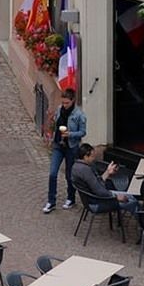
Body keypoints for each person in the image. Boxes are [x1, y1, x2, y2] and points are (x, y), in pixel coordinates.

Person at [68, 143, 141, 224]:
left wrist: (108, 172)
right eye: (92, 156)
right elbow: (99, 191)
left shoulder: (77, 166)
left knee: (130, 196)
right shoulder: (85, 170)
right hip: (97, 202)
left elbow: (97, 183)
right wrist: (116, 197)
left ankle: (143, 222)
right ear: (85, 156)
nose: (94, 158)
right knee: (132, 202)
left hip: (94, 199)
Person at [43, 85, 87, 213]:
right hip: (58, 145)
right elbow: (55, 124)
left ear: (72, 101)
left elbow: (83, 132)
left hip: (71, 147)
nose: (64, 105)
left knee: (69, 174)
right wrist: (50, 130)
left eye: (66, 103)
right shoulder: (59, 109)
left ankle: (71, 198)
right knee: (52, 173)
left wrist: (71, 134)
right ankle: (51, 201)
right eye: (63, 103)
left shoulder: (79, 115)